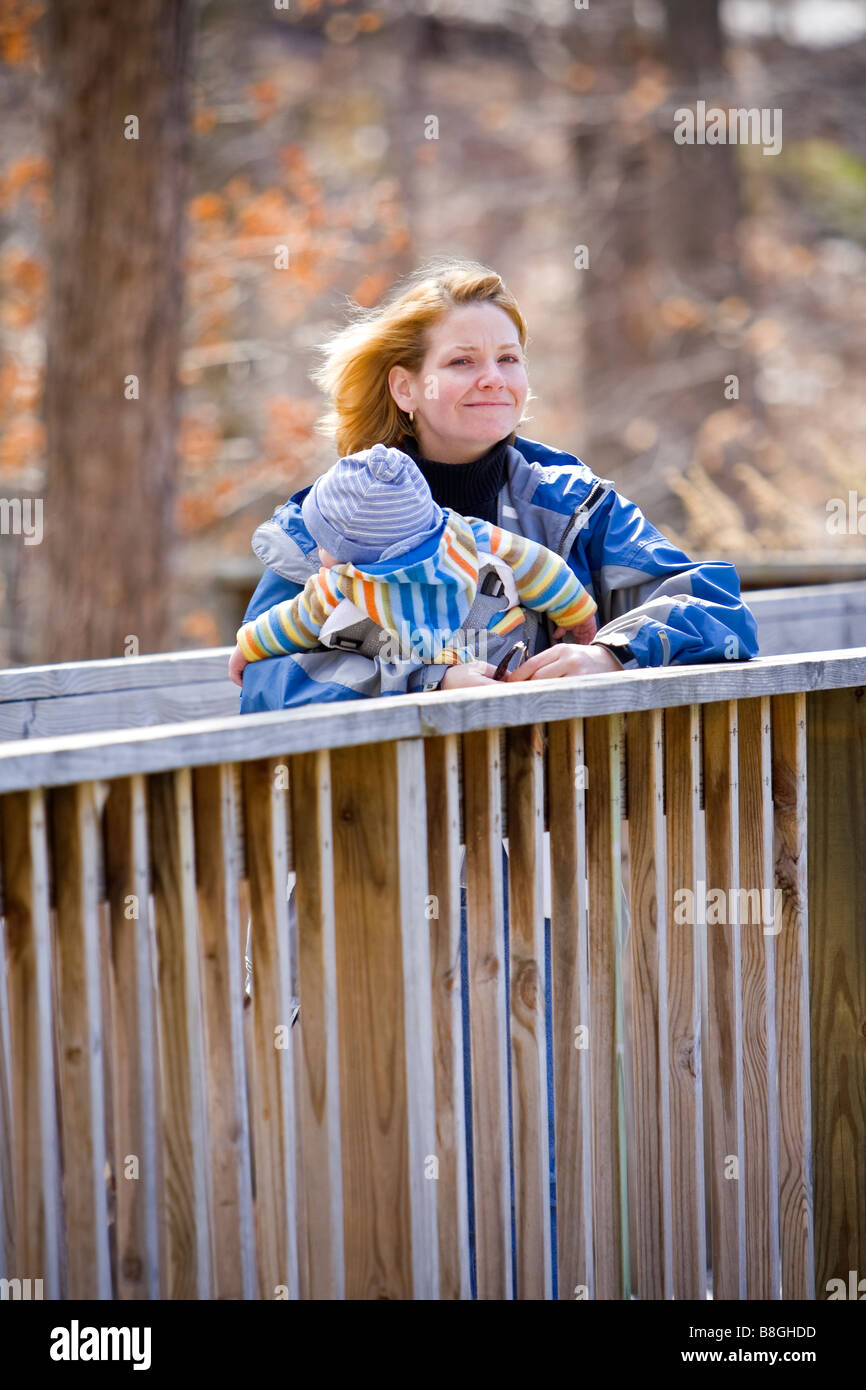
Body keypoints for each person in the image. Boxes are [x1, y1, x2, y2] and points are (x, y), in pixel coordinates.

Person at [236, 257, 758, 714]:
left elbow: (716, 608)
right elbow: (269, 679)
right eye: (462, 361)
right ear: (405, 387)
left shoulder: (572, 503)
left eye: (508, 358)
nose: (493, 378)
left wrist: (610, 655)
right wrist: (426, 684)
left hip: (558, 806)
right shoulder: (331, 520)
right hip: (389, 809)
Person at [228, 441, 598, 688]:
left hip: (433, 689)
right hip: (505, 665)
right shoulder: (472, 536)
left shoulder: (339, 585)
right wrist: (577, 613)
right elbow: (541, 566)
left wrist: (247, 647)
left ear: (347, 552)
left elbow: (289, 623)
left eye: (322, 541)